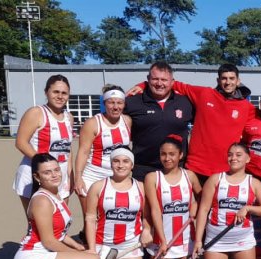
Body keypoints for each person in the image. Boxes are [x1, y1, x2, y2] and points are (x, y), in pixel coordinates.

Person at [14, 153, 113, 259]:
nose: (54, 175)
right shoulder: (42, 201)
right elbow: (49, 241)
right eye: (47, 172)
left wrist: (76, 247)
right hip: (32, 257)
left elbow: (59, 233)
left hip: (43, 254)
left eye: (56, 170)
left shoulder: (55, 195)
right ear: (37, 176)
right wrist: (78, 255)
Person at [129, 63, 254, 184]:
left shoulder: (247, 107)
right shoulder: (204, 94)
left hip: (226, 168)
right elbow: (173, 84)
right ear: (218, 80)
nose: (228, 82)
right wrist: (144, 85)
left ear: (238, 81)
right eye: (224, 78)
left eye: (232, 78)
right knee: (193, 204)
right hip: (196, 167)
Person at [194, 143, 261, 259]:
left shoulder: (254, 182)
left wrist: (248, 208)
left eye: (238, 155)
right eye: (230, 154)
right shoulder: (215, 179)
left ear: (248, 159)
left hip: (243, 239)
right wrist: (199, 241)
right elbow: (203, 210)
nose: (233, 158)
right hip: (216, 239)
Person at [84, 147, 151, 259]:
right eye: (116, 161)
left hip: (130, 245)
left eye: (125, 161)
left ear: (132, 165)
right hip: (104, 245)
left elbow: (146, 216)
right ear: (111, 163)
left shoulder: (141, 187)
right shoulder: (98, 186)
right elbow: (90, 218)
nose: (121, 165)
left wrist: (146, 230)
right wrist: (92, 249)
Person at [143, 136, 203, 259]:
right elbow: (155, 210)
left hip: (185, 239)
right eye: (163, 154)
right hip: (162, 240)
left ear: (180, 155)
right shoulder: (152, 178)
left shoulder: (189, 176)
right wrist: (162, 241)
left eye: (172, 154)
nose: (167, 158)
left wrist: (196, 203)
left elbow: (203, 198)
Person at [12, 75, 74, 213]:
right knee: (38, 225)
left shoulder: (69, 118)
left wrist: (71, 175)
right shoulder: (36, 113)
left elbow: (68, 150)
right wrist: (45, 164)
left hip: (60, 175)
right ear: (46, 92)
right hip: (36, 173)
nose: (60, 96)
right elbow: (21, 143)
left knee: (60, 221)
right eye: (55, 92)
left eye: (64, 93)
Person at [123, 62, 194, 181]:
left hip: (176, 169)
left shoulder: (186, 103)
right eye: (155, 79)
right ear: (148, 80)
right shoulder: (131, 102)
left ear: (172, 82)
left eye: (164, 80)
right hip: (143, 169)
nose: (159, 83)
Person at [74, 85, 132, 213]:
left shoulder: (127, 121)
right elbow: (83, 152)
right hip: (92, 175)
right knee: (91, 218)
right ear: (104, 103)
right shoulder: (93, 123)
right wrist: (78, 178)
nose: (116, 107)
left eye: (119, 102)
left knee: (111, 217)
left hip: (116, 176)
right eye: (111, 102)